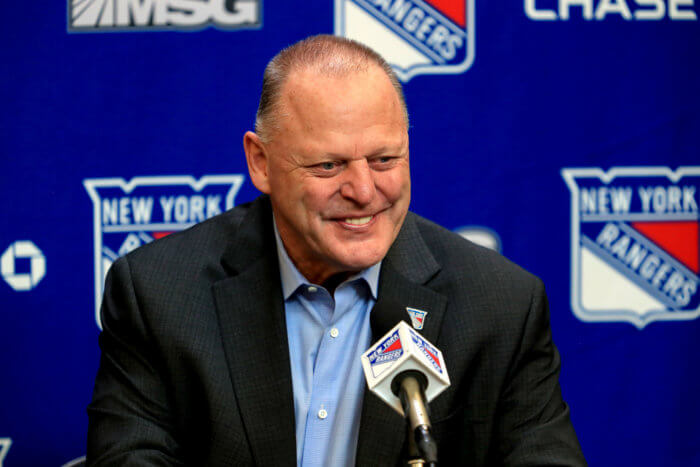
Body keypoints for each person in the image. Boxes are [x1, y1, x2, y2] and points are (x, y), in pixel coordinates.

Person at [87, 35, 586, 466]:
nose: (364, 192)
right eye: (328, 166)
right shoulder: (159, 295)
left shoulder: (501, 306)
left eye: (384, 159)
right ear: (260, 162)